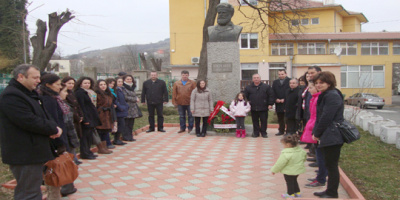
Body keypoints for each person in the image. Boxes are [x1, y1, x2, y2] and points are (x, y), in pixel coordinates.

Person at [0, 64, 62, 200]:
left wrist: (52, 127)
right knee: (29, 192)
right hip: (24, 153)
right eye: (35, 77)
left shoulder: (29, 93)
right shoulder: (11, 96)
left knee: (33, 190)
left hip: (34, 150)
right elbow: (28, 120)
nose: (39, 80)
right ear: (21, 77)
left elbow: (42, 115)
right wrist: (52, 128)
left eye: (39, 77)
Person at [39, 74, 79, 198]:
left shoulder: (54, 98)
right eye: (57, 84)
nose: (59, 86)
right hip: (56, 138)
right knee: (56, 167)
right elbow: (54, 122)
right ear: (48, 85)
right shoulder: (49, 100)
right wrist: (60, 142)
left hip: (63, 134)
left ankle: (64, 187)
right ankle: (57, 191)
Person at [312, 72, 345, 199]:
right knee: (329, 164)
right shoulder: (326, 94)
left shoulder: (332, 95)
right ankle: (330, 190)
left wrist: (317, 133)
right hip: (329, 133)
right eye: (316, 83)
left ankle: (332, 192)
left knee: (331, 165)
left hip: (333, 135)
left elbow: (326, 117)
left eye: (321, 83)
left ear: (329, 83)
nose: (318, 85)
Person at [301, 82, 328, 189]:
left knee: (321, 155)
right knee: (318, 153)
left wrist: (315, 130)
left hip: (317, 128)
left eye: (311, 88)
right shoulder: (314, 98)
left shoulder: (318, 99)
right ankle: (320, 176)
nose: (309, 90)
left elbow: (318, 116)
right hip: (313, 126)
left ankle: (321, 178)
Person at [271, 134, 307, 199]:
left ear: (288, 145)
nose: (283, 146)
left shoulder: (286, 153)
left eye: (283, 144)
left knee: (289, 182)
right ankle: (297, 192)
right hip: (297, 170)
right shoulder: (301, 151)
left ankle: (290, 194)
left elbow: (280, 163)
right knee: (294, 180)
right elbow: (304, 158)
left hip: (289, 171)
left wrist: (274, 170)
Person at [74, 77, 102, 160]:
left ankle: (88, 151)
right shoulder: (79, 92)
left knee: (89, 136)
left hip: (91, 116)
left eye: (88, 83)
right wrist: (85, 119)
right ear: (80, 84)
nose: (87, 85)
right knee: (85, 137)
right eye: (85, 83)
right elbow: (81, 106)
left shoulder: (90, 92)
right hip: (86, 117)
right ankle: (84, 153)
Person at [62, 76, 84, 165]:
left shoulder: (71, 93)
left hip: (76, 119)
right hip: (71, 120)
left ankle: (74, 157)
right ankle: (72, 158)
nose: (71, 85)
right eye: (69, 83)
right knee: (70, 140)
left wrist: (81, 115)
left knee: (74, 139)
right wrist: (77, 117)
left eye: (72, 83)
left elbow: (77, 105)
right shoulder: (63, 94)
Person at [244, 74, 274, 138]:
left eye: (257, 78)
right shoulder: (248, 87)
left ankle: (263, 133)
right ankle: (256, 133)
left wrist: (270, 104)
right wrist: (247, 104)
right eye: (254, 78)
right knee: (255, 121)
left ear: (260, 79)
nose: (256, 79)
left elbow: (271, 95)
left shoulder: (266, 87)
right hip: (253, 107)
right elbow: (245, 96)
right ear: (252, 79)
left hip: (264, 107)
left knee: (264, 121)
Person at [95, 80, 114, 154]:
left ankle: (104, 147)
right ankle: (100, 148)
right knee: (100, 131)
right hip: (100, 114)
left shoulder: (108, 94)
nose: (103, 86)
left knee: (105, 131)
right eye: (101, 85)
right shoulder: (97, 94)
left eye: (104, 84)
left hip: (108, 114)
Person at [122, 75, 142, 140]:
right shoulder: (123, 88)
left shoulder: (132, 87)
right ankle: (125, 136)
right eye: (127, 79)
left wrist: (136, 98)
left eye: (130, 79)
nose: (129, 80)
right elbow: (125, 97)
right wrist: (135, 99)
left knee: (131, 123)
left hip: (133, 108)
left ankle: (130, 136)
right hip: (127, 107)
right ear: (124, 80)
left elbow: (133, 95)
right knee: (126, 123)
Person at [272, 69, 291, 136]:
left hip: (287, 102)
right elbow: (273, 92)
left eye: (282, 74)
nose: (281, 75)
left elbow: (291, 92)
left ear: (285, 74)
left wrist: (285, 99)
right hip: (278, 103)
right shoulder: (275, 82)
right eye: (279, 74)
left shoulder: (290, 81)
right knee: (280, 118)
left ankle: (288, 131)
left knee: (288, 118)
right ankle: (281, 130)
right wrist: (275, 99)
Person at [113, 77, 129, 145]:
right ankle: (116, 139)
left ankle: (118, 139)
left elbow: (123, 100)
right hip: (118, 111)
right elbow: (116, 101)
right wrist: (121, 107)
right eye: (119, 82)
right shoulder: (115, 90)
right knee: (119, 125)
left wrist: (126, 106)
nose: (120, 83)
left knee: (122, 125)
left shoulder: (121, 89)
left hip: (123, 109)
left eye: (121, 82)